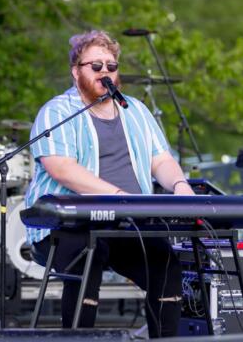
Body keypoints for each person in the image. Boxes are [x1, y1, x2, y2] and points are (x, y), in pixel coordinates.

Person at [25, 30, 194, 338]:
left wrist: (180, 185)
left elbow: (161, 160)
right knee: (88, 256)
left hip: (127, 223)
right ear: (76, 71)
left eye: (111, 66)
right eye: (96, 66)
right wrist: (118, 196)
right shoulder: (57, 111)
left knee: (165, 262)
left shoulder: (136, 110)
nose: (105, 72)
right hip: (67, 225)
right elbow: (62, 169)